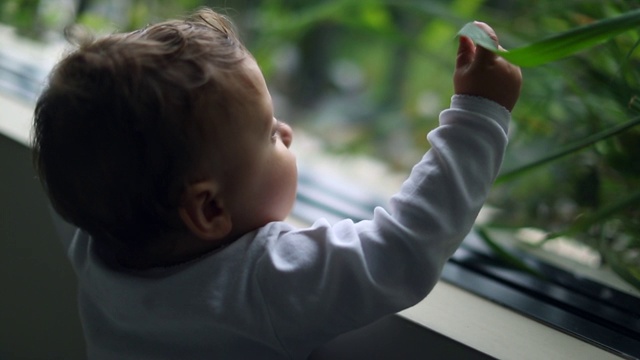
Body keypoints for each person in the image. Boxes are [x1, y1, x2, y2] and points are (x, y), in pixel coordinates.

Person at [32, 7, 521, 360]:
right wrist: (479, 115)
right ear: (207, 211)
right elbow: (401, 250)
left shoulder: (97, 239)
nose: (287, 132)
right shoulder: (260, 283)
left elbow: (89, 148)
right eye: (269, 133)